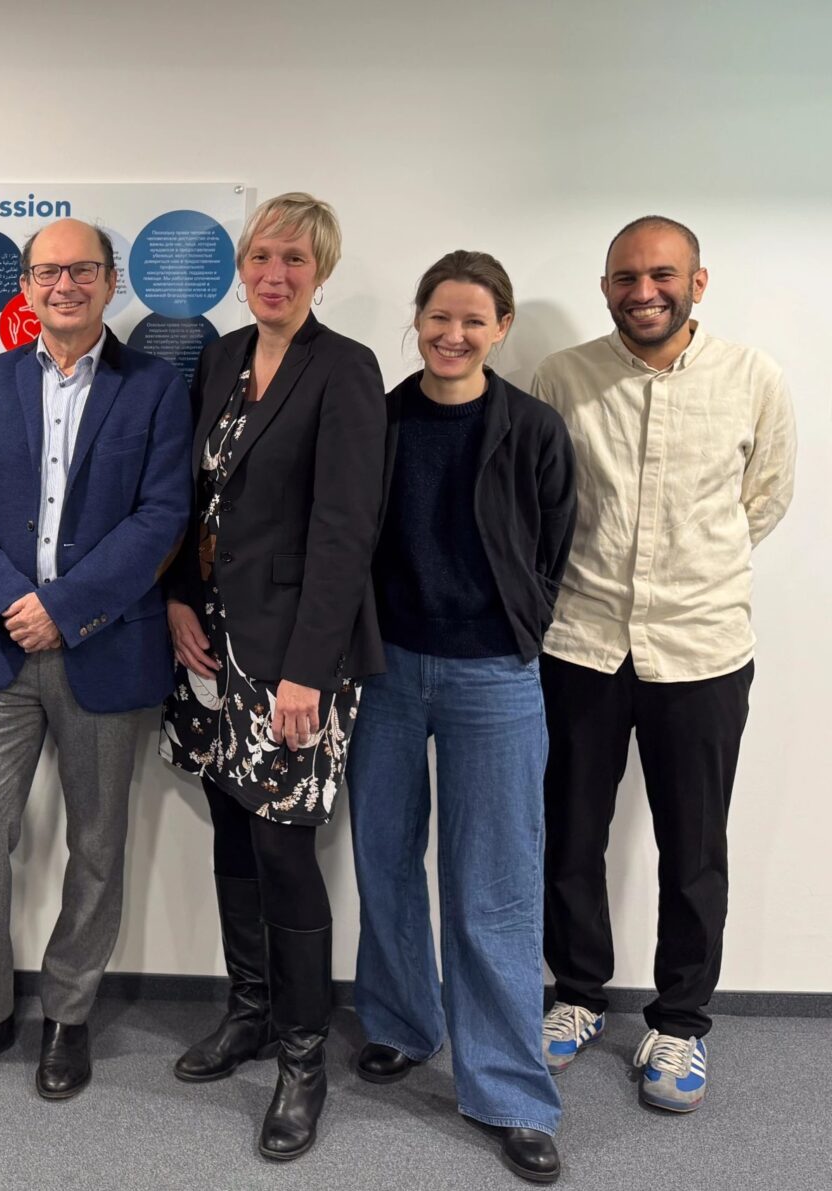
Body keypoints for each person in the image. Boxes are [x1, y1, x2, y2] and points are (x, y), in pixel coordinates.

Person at [533, 216, 795, 1113]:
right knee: (571, 833)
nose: (643, 292)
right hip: (583, 642)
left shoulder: (754, 378)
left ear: (698, 282)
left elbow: (765, 497)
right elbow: (540, 497)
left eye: (662, 275)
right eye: (625, 277)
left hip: (703, 647)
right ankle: (575, 995)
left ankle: (680, 1022)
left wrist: (694, 569)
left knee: (694, 846)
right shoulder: (562, 377)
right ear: (606, 286)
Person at [0, 219, 191, 1100]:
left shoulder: (155, 387)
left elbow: (161, 516)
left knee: (97, 843)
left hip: (104, 646)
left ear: (111, 282)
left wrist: (66, 608)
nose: (64, 284)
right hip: (2, 647)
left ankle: (68, 1016)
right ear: (27, 286)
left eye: (82, 270)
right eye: (47, 271)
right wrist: (14, 601)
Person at [160, 192, 385, 1161]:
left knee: (286, 849)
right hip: (212, 640)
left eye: (295, 259)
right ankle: (249, 1010)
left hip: (295, 656)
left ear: (320, 271)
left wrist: (306, 673)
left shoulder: (346, 369)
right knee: (232, 829)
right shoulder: (220, 358)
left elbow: (345, 531)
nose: (275, 275)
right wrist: (177, 597)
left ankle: (302, 1057)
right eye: (262, 257)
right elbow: (190, 496)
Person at [345, 252, 574, 1183]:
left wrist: (520, 623)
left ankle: (510, 1091)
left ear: (501, 328)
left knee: (495, 885)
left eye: (474, 320)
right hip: (388, 671)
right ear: (417, 319)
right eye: (440, 317)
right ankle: (404, 1022)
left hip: (495, 677)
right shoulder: (381, 418)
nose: (454, 335)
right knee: (384, 856)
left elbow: (554, 541)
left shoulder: (533, 426)